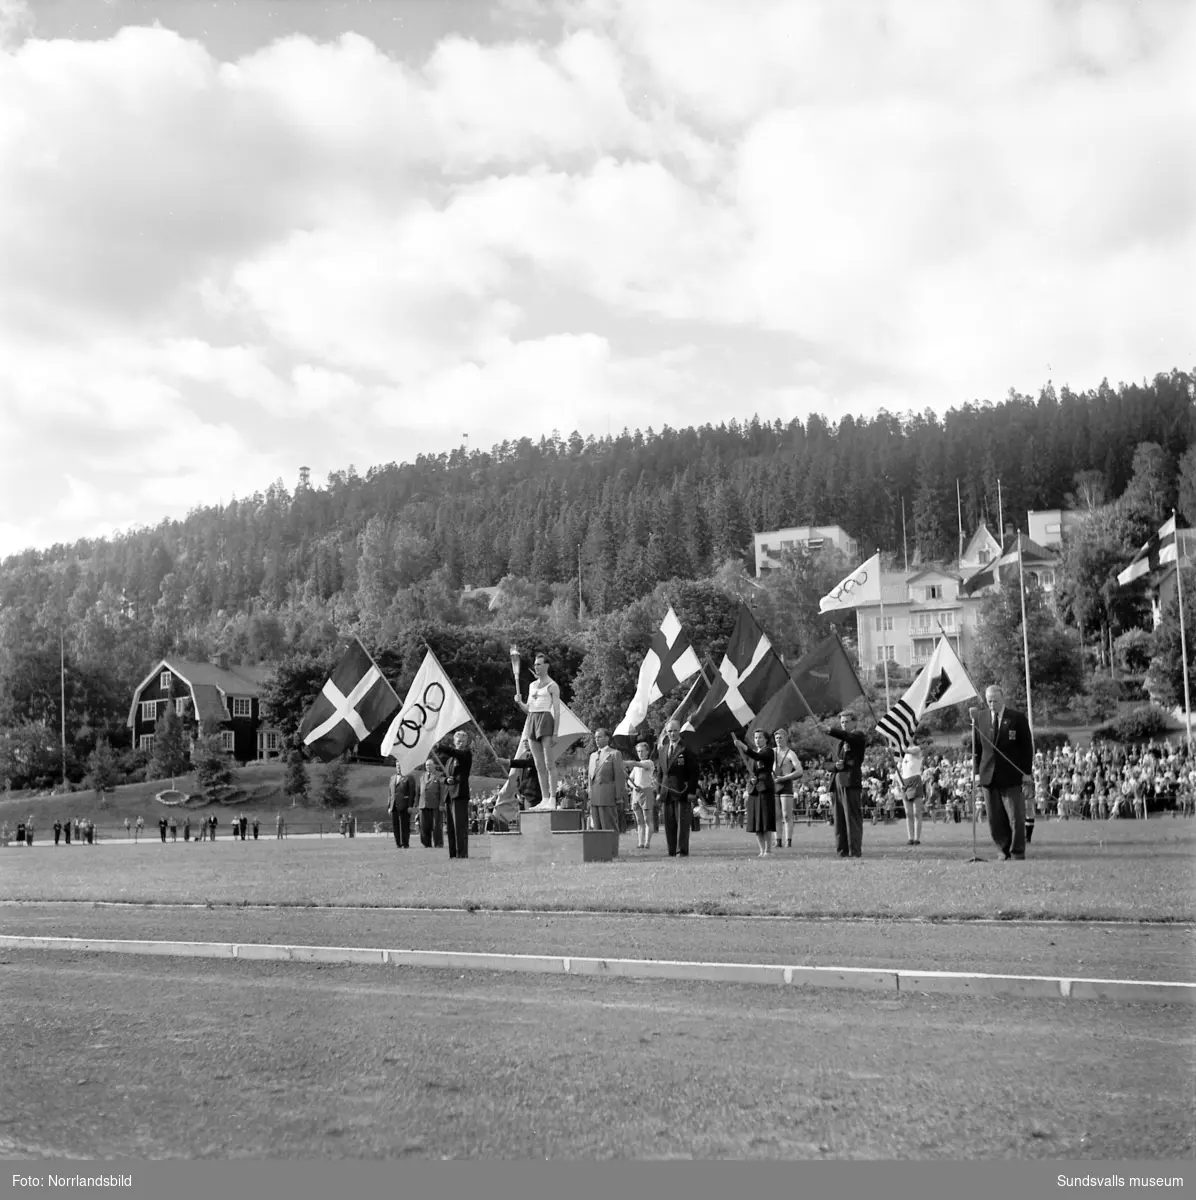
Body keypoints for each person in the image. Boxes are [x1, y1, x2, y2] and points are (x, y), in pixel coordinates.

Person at [973, 684, 1034, 860]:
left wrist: (1026, 772)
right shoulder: (980, 718)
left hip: (1011, 776)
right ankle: (1002, 849)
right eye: (989, 701)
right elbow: (976, 748)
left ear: (1002, 699)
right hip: (988, 776)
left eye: (995, 701)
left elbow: (1027, 747)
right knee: (995, 818)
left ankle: (1017, 852)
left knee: (1016, 817)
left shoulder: (1017, 718)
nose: (991, 704)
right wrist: (977, 773)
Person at [513, 651, 561, 811]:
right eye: (535, 665)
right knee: (539, 764)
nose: (536, 667)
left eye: (539, 664)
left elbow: (557, 711)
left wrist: (555, 732)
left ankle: (553, 798)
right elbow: (529, 709)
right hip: (532, 721)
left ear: (546, 666)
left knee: (549, 763)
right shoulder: (532, 685)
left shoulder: (553, 686)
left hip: (546, 720)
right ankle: (545, 798)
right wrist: (519, 702)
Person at [826, 710, 867, 859]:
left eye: (847, 721)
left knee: (852, 819)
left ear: (854, 722)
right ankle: (841, 851)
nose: (844, 724)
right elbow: (827, 763)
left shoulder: (858, 736)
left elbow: (848, 736)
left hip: (850, 782)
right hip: (836, 782)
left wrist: (830, 730)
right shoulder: (837, 742)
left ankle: (854, 851)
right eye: (842, 722)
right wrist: (835, 766)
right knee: (839, 819)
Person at [658, 720, 699, 858]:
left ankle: (681, 850)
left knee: (682, 823)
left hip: (682, 791)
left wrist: (692, 792)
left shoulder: (687, 749)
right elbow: (660, 772)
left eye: (675, 730)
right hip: (666, 792)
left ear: (679, 731)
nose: (672, 733)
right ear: (666, 732)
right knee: (669, 824)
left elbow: (694, 773)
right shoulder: (663, 749)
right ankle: (671, 850)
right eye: (670, 731)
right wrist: (659, 791)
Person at [733, 728, 777, 857]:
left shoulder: (768, 752)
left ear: (766, 739)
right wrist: (751, 779)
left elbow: (758, 757)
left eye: (760, 737)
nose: (757, 740)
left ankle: (768, 851)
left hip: (765, 789)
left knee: (765, 820)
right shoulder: (754, 754)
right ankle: (761, 850)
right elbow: (754, 768)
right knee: (757, 821)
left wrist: (744, 747)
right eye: (756, 738)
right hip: (754, 789)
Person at [436, 730, 473, 859]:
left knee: (460, 826)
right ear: (454, 742)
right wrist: (446, 780)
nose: (461, 744)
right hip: (449, 795)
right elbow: (441, 777)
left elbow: (455, 752)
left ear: (466, 742)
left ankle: (462, 853)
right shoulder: (449, 760)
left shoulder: (466, 754)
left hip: (460, 794)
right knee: (450, 828)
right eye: (458, 741)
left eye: (463, 741)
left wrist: (439, 747)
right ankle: (453, 854)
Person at [587, 728, 626, 835]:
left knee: (609, 826)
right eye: (595, 737)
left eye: (599, 737)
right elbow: (589, 778)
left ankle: (612, 850)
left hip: (608, 796)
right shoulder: (592, 756)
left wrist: (619, 797)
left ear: (607, 738)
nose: (596, 740)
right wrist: (590, 796)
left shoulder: (614, 754)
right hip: (595, 796)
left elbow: (619, 776)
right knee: (597, 828)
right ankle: (600, 850)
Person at [772, 728, 803, 848]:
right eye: (776, 738)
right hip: (774, 784)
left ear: (786, 738)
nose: (778, 740)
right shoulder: (772, 752)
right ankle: (777, 840)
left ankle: (788, 840)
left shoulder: (790, 753)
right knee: (776, 814)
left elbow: (799, 770)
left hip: (785, 784)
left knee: (786, 815)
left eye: (781, 737)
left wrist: (785, 778)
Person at [626, 740, 658, 850]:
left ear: (647, 752)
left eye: (642, 751)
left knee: (647, 819)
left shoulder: (649, 763)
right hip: (636, 793)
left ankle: (647, 842)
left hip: (646, 792)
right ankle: (640, 842)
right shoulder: (636, 768)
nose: (640, 753)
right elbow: (630, 780)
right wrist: (633, 786)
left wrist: (625, 762)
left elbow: (639, 764)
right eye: (638, 751)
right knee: (639, 820)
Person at [896, 744, 925, 846]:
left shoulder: (916, 750)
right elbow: (898, 773)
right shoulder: (903, 758)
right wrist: (901, 784)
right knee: (908, 814)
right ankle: (910, 838)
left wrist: (902, 743)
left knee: (917, 813)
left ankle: (917, 838)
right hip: (905, 783)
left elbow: (906, 750)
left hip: (915, 781)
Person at [387, 764, 418, 849]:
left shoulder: (409, 777)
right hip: (394, 805)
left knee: (405, 825)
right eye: (397, 766)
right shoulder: (392, 778)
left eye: (400, 766)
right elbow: (390, 793)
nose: (399, 768)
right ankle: (398, 843)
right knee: (395, 826)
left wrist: (410, 805)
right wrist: (389, 806)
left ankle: (405, 843)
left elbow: (412, 793)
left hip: (405, 805)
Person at [419, 759, 445, 848]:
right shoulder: (422, 777)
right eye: (426, 765)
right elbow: (419, 791)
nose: (428, 767)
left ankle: (438, 843)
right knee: (424, 825)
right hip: (423, 804)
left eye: (430, 765)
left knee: (436, 825)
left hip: (435, 805)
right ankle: (426, 843)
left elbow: (442, 791)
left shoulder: (439, 776)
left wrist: (442, 804)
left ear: (434, 766)